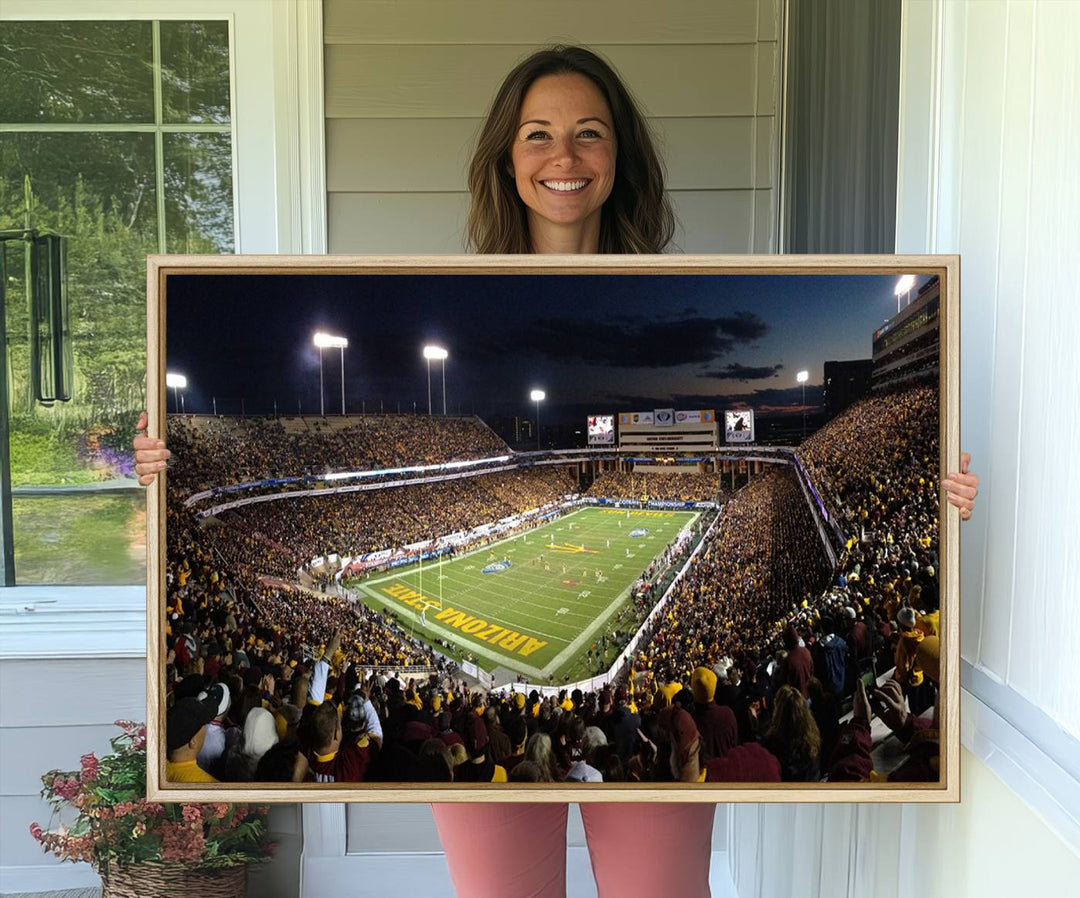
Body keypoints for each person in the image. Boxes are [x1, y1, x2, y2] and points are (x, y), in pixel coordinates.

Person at [135, 43, 981, 898]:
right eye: (537, 134)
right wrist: (162, 467)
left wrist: (936, 505)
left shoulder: (678, 282)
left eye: (589, 133)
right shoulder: (454, 289)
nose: (563, 156)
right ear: (507, 157)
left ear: (620, 158)